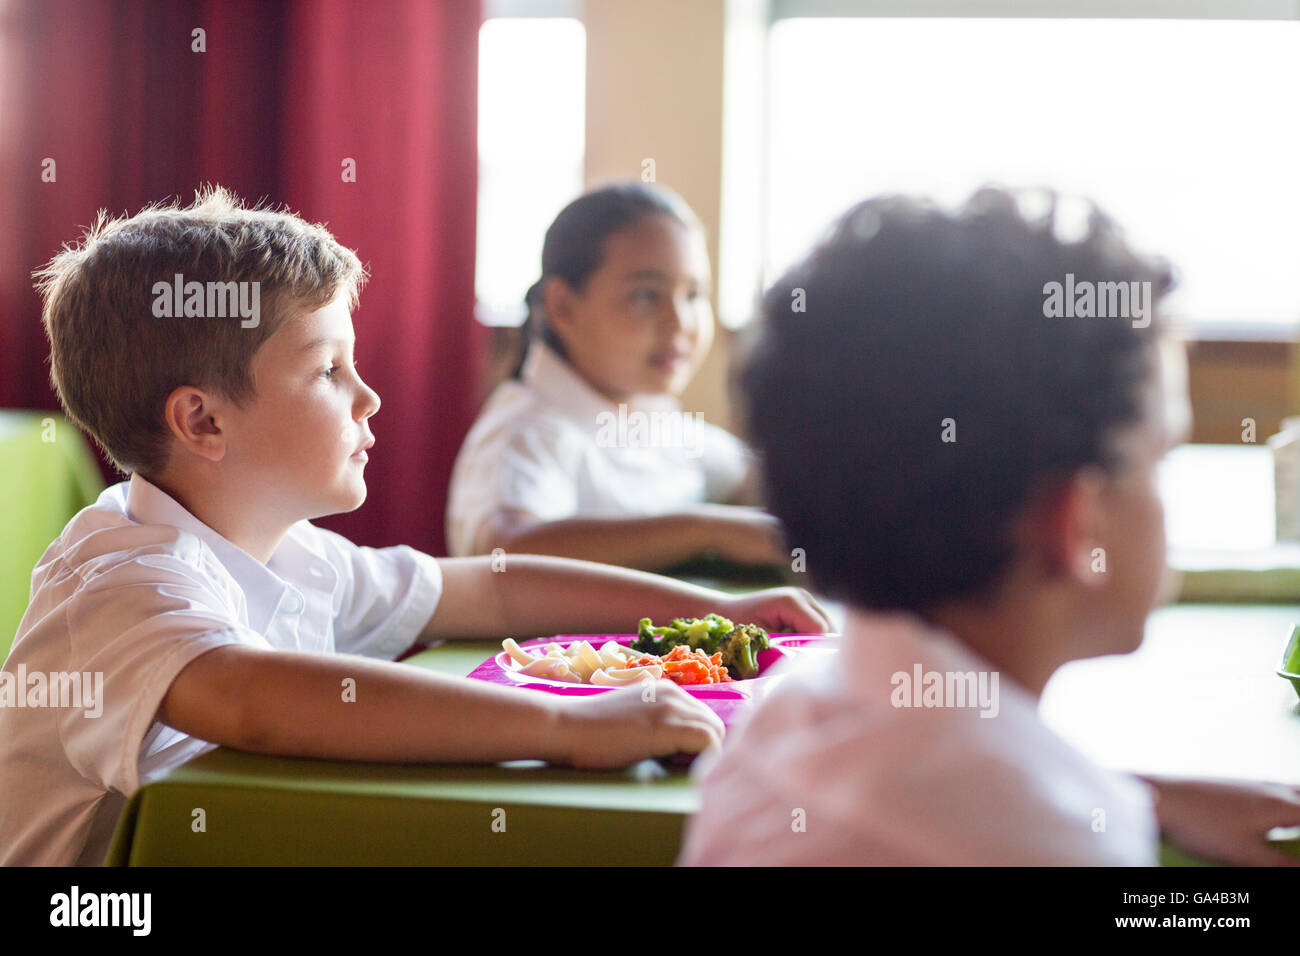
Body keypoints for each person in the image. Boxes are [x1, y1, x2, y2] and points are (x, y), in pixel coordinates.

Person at [0, 186, 830, 865]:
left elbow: (488, 592)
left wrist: (711, 616)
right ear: (203, 423)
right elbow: (250, 697)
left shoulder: (289, 553)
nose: (370, 397)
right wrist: (564, 726)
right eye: (330, 370)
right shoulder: (120, 580)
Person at [679, 188, 1300, 866]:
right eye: (1159, 460)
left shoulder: (784, 725)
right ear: (1077, 521)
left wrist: (1128, 799)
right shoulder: (1044, 845)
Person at [445, 183, 786, 571]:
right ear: (563, 307)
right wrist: (707, 532)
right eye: (646, 296)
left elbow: (747, 477)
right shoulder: (525, 432)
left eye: (693, 296)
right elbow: (505, 552)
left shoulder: (652, 416)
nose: (680, 323)